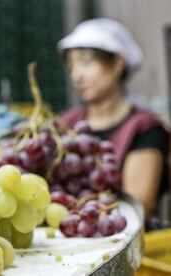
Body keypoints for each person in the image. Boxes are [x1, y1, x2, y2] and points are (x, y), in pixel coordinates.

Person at [57, 18, 169, 226]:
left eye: (86, 62)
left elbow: (136, 212)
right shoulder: (66, 122)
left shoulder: (144, 127)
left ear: (118, 64)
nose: (77, 76)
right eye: (71, 65)